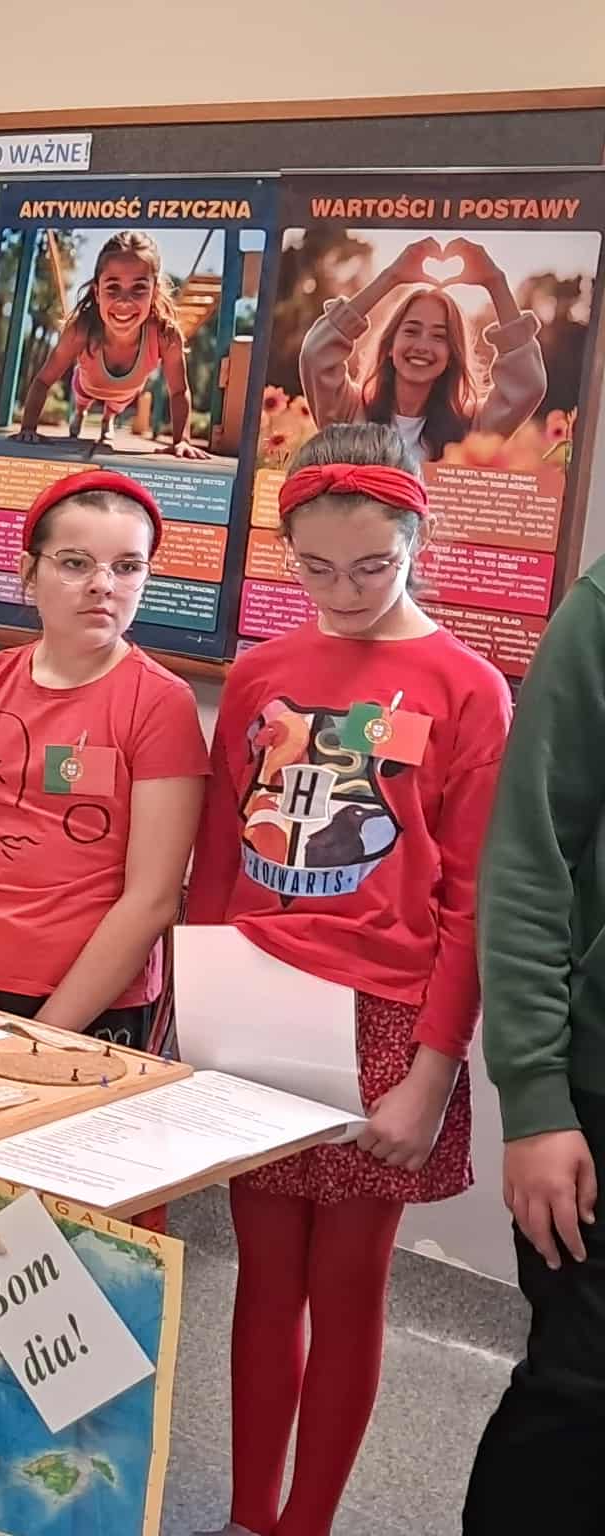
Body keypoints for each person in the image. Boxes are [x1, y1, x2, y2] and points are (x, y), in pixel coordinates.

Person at [187, 423, 511, 1536]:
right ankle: (247, 1515)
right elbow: (217, 857)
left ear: (417, 538)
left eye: (372, 566)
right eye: (315, 569)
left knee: (347, 1289)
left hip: (385, 1023)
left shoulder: (466, 687)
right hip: (256, 1003)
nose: (343, 594)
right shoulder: (261, 672)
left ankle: (308, 1522)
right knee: (260, 1278)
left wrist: (431, 1073)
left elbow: (470, 900)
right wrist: (193, 1018)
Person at [0, 471, 206, 1051]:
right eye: (75, 563)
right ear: (29, 572)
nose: (103, 585)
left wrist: (42, 1038)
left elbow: (152, 898)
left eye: (127, 567)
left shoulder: (161, 703)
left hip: (94, 1005)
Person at [462, 552, 605, 1524]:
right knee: (578, 1396)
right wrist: (535, 1097)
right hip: (592, 1098)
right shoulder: (601, 610)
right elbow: (527, 856)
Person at [300, 235, 546, 468]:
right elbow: (316, 354)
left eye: (439, 336)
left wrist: (495, 281)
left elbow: (527, 385)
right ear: (389, 346)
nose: (422, 346)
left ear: (451, 356)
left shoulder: (471, 429)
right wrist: (390, 277)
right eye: (411, 331)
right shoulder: (350, 413)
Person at [14, 230, 208, 458]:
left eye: (139, 288)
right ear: (97, 292)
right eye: (113, 288)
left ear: (154, 292)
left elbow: (179, 391)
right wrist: (28, 429)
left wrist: (181, 440)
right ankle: (80, 413)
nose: (124, 301)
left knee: (116, 405)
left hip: (126, 393)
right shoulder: (81, 329)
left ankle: (108, 419)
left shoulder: (165, 335)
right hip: (86, 384)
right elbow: (43, 380)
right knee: (82, 398)